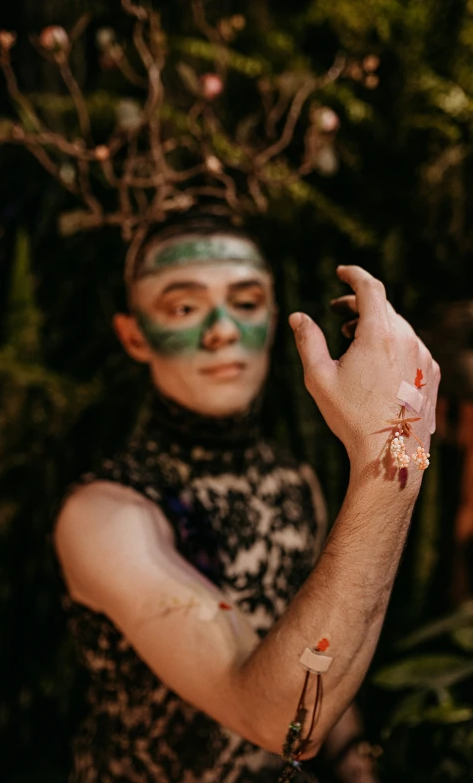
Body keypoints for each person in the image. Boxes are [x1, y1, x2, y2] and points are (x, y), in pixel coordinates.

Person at [55, 213, 440, 783]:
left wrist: (360, 766)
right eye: (184, 307)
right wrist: (395, 452)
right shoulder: (106, 515)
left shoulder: (293, 480)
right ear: (135, 334)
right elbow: (283, 721)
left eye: (246, 300)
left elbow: (326, 645)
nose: (222, 331)